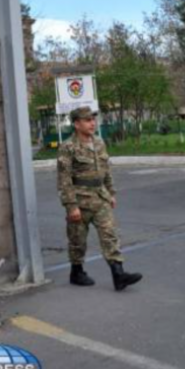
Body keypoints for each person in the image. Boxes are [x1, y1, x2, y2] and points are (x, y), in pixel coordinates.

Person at [57, 107, 142, 291]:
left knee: (110, 234)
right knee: (78, 240)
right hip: (80, 200)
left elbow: (106, 170)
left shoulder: (99, 142)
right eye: (87, 120)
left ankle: (118, 275)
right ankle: (76, 272)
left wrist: (111, 193)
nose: (92, 123)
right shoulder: (68, 147)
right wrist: (71, 206)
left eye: (93, 120)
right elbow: (64, 179)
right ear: (77, 124)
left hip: (100, 197)